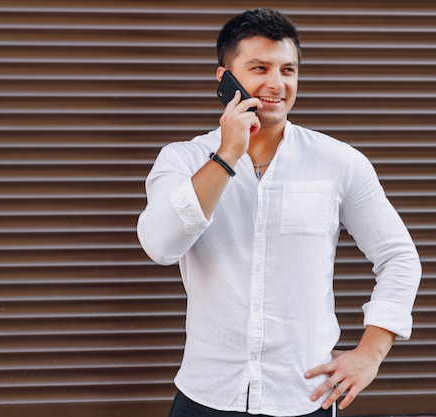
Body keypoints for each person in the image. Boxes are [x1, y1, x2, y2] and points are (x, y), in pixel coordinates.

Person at [136, 8, 421, 417]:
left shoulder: (339, 161)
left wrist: (370, 353)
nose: (276, 83)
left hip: (303, 397)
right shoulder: (182, 160)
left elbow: (399, 257)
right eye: (259, 68)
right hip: (207, 394)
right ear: (225, 80)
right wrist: (227, 154)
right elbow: (160, 245)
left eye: (288, 69)